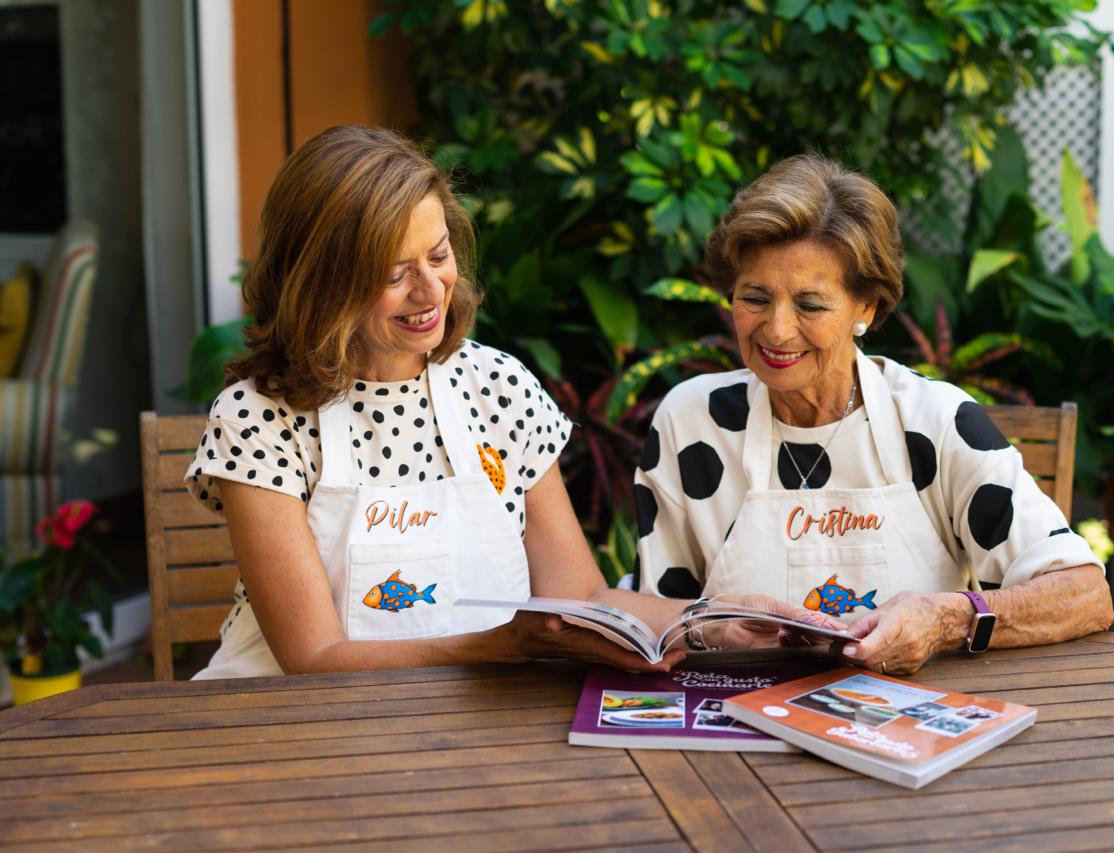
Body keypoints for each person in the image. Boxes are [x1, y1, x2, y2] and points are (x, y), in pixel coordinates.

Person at [185, 126, 836, 679]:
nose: (430, 290)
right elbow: (314, 658)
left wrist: (717, 622)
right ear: (322, 282)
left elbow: (579, 595)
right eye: (393, 273)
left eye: (438, 254)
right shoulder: (260, 419)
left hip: (473, 733)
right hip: (291, 733)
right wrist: (494, 648)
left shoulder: (497, 387)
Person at [635, 154, 1113, 675]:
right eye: (755, 298)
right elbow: (650, 619)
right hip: (735, 710)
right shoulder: (692, 422)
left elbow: (1085, 594)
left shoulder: (935, 422)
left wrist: (947, 619)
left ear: (867, 307)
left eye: (810, 305)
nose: (777, 329)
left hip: (910, 715)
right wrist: (706, 626)